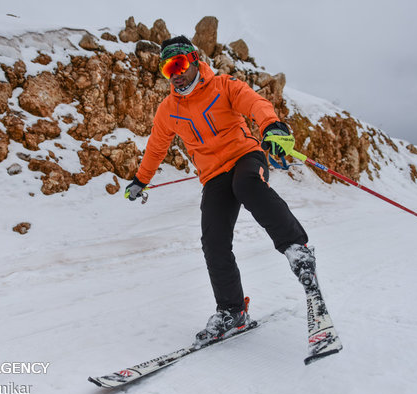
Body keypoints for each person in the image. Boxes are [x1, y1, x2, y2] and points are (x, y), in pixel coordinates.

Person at [125, 35, 317, 344]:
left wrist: (271, 126)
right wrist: (141, 180)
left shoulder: (224, 86)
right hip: (213, 176)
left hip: (245, 156)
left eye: (180, 64)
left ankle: (297, 249)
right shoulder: (168, 110)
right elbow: (156, 147)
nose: (175, 73)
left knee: (247, 185)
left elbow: (256, 103)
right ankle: (232, 311)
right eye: (167, 69)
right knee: (213, 240)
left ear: (195, 60)